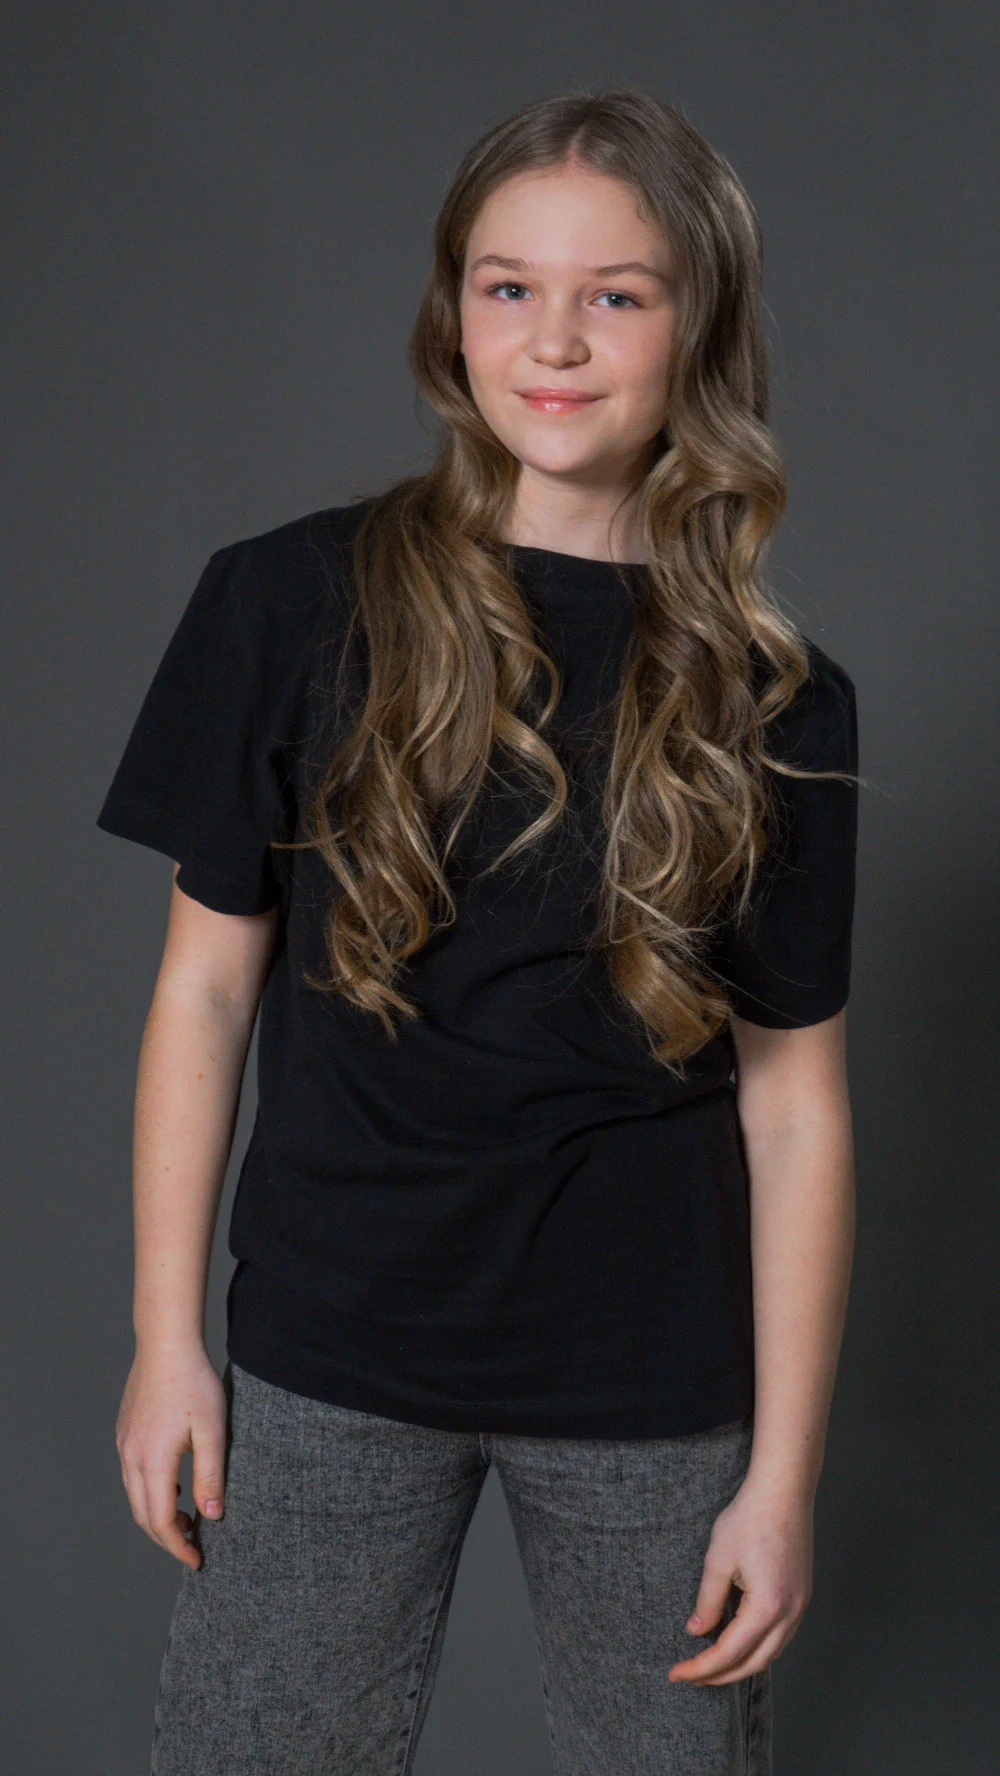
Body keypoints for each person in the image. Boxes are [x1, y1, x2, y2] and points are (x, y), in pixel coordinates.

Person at [97, 86, 859, 1776]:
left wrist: (782, 1477)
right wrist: (166, 1343)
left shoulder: (778, 699)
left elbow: (796, 1106)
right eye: (510, 286)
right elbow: (203, 993)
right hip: (331, 1346)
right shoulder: (288, 600)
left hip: (654, 1385)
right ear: (454, 311)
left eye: (618, 294)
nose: (555, 342)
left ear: (698, 326)